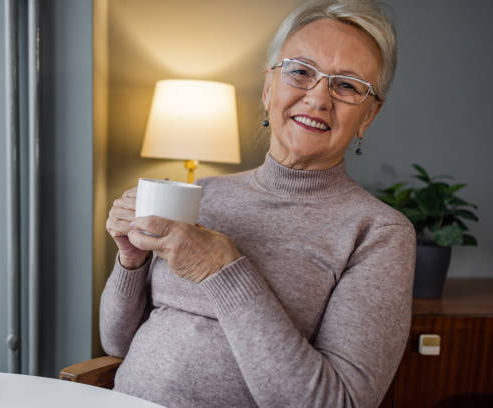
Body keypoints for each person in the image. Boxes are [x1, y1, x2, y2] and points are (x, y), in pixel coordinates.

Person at [101, 0, 415, 406]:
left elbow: (338, 403)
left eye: (347, 86)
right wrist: (131, 260)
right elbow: (118, 343)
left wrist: (224, 270)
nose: (319, 98)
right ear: (269, 88)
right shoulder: (205, 193)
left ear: (368, 116)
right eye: (301, 72)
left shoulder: (379, 233)